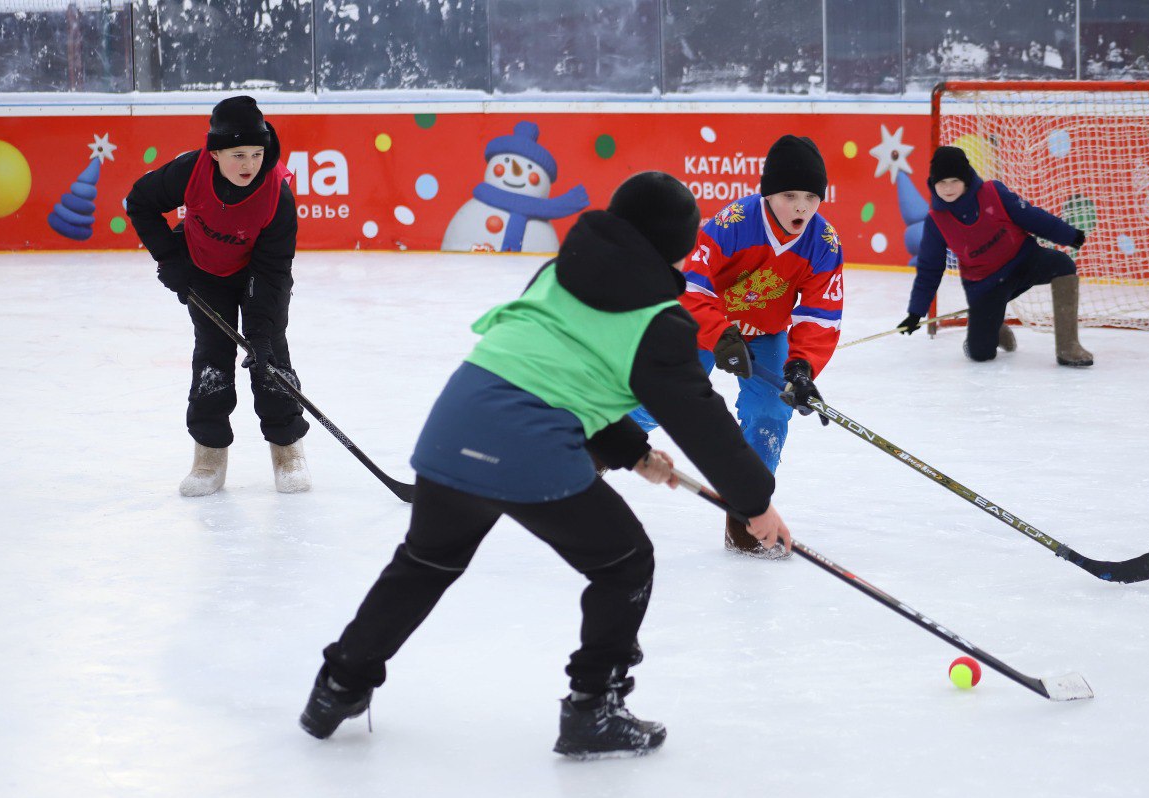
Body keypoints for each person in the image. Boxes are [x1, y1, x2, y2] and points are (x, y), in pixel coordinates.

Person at [299, 172, 790, 760]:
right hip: (527, 449)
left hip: (455, 425)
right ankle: (592, 709)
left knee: (425, 563)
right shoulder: (660, 321)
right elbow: (706, 428)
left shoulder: (561, 272)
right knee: (625, 563)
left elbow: (557, 371)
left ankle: (337, 687)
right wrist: (755, 504)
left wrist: (634, 453)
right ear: (677, 247)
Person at [630, 135, 844, 558]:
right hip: (704, 327)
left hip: (766, 333)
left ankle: (747, 518)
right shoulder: (733, 223)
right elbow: (691, 286)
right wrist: (719, 335)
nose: (801, 207)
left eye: (811, 197)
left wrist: (802, 367)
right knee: (665, 396)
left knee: (770, 415)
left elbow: (821, 314)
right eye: (789, 196)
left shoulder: (824, 243)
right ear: (768, 194)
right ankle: (599, 445)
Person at [126, 95, 311, 497]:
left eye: (257, 154)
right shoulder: (190, 171)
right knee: (212, 358)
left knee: (270, 357)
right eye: (238, 155)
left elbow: (273, 271)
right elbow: (139, 201)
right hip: (205, 270)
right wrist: (170, 258)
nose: (249, 165)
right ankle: (208, 456)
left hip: (258, 274)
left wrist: (260, 333)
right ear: (215, 154)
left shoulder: (276, 195)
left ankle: (287, 450)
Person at [896, 145, 1092, 366]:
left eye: (954, 181)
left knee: (1063, 265)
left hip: (1024, 261)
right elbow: (929, 269)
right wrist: (916, 312)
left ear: (965, 179)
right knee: (981, 354)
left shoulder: (993, 193)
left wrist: (1068, 235)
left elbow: (1032, 217)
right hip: (986, 284)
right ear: (933, 184)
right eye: (941, 182)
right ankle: (993, 326)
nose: (948, 188)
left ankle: (1068, 346)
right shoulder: (936, 221)